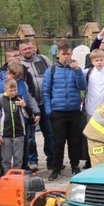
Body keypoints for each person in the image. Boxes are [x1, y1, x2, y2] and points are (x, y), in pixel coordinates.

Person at [42, 42, 87, 180]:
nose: (66, 57)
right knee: (58, 142)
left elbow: (82, 86)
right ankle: (56, 168)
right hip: (58, 111)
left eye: (68, 54)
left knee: (74, 141)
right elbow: (46, 91)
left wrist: (78, 71)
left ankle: (75, 166)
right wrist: (50, 111)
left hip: (73, 110)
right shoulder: (52, 70)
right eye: (63, 54)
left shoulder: (76, 69)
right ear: (58, 54)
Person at [19, 38, 52, 171]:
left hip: (45, 102)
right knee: (30, 137)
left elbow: (52, 75)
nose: (28, 51)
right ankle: (32, 161)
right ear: (21, 51)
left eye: (29, 48)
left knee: (49, 133)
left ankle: (52, 159)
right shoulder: (19, 64)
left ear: (33, 47)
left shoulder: (43, 60)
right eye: (24, 49)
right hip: (29, 105)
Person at [0, 79, 33, 175]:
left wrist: (24, 106)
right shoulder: (1, 101)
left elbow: (28, 115)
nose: (13, 92)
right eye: (11, 90)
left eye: (15, 90)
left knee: (18, 158)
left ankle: (16, 176)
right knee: (6, 158)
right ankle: (7, 176)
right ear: (5, 89)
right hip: (5, 134)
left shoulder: (19, 100)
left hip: (19, 134)